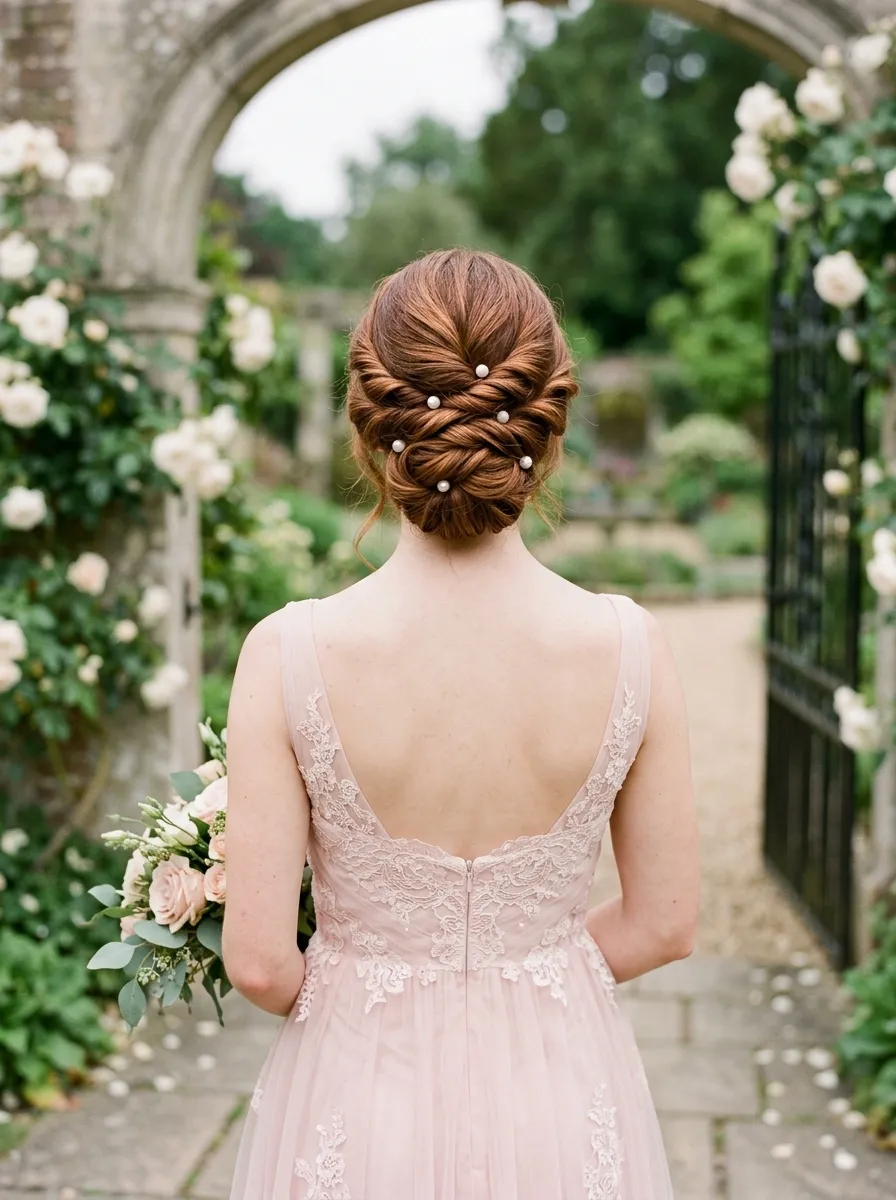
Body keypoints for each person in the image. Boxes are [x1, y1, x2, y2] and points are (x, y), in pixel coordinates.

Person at [223, 248, 699, 1198]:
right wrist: (530, 977)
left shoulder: (288, 654)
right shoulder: (631, 646)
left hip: (360, 1100)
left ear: (369, 435)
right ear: (547, 432)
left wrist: (394, 975)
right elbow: (666, 922)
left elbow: (265, 964)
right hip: (561, 1095)